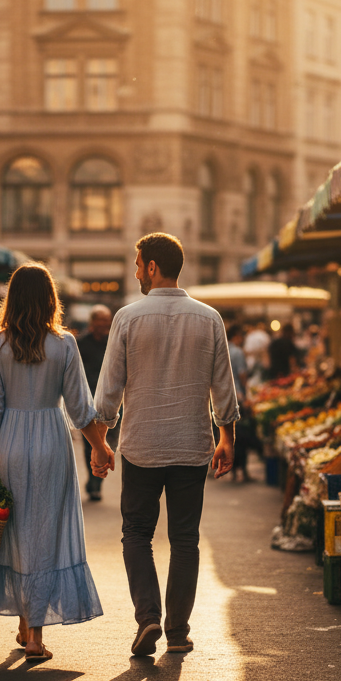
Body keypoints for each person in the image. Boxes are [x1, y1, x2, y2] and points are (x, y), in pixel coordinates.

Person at [90, 232, 240, 657]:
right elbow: (223, 387)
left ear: (152, 266)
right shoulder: (209, 318)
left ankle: (148, 617)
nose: (136, 272)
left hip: (141, 447)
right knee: (185, 539)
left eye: (138, 265)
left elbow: (108, 393)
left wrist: (100, 444)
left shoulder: (127, 318)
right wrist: (226, 435)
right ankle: (176, 631)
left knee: (136, 533)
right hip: (192, 446)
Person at [0, 263, 112, 663]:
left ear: (11, 299)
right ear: (51, 299)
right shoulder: (64, 344)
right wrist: (100, 447)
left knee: (14, 531)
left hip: (9, 444)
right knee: (44, 534)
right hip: (52, 441)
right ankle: (34, 635)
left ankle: (25, 621)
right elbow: (82, 408)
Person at [77, 304, 114, 502]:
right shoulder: (80, 342)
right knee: (89, 443)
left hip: (108, 401)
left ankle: (97, 482)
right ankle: (93, 481)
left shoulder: (112, 342)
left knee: (106, 442)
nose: (105, 324)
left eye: (107, 320)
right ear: (92, 322)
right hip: (88, 400)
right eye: (101, 319)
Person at [227, 324, 253, 483]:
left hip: (222, 398)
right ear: (236, 336)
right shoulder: (237, 352)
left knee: (226, 434)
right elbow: (242, 374)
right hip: (238, 396)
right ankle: (242, 469)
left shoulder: (221, 349)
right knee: (241, 436)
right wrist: (246, 393)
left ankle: (231, 470)